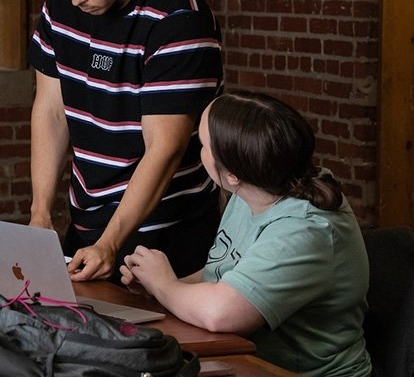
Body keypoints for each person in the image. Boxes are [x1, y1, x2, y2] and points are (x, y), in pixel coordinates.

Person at [27, 0, 224, 283]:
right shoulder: (63, 2)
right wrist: (40, 214)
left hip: (163, 234)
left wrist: (110, 243)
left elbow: (164, 149)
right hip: (88, 223)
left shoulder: (177, 19)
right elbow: (51, 111)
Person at [121, 91, 372, 376]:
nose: (198, 149)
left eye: (203, 144)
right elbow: (229, 273)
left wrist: (165, 286)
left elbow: (222, 313)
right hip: (251, 361)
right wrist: (159, 288)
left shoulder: (305, 230)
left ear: (232, 174)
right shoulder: (255, 188)